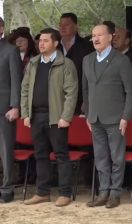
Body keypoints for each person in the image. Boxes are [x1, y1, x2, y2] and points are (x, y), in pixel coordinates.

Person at [21, 28, 78, 207]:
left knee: (61, 155)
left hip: (56, 117)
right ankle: (42, 192)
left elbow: (71, 92)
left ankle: (65, 193)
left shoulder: (65, 64)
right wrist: (26, 113)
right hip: (36, 115)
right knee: (40, 155)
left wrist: (66, 116)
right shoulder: (33, 63)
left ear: (55, 43)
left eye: (46, 40)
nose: (41, 43)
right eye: (40, 40)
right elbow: (25, 89)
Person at [83, 24, 132, 209]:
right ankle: (103, 191)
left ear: (110, 37)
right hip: (95, 118)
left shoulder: (121, 60)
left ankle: (115, 193)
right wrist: (88, 113)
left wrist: (125, 117)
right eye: (93, 35)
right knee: (100, 157)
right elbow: (85, 89)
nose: (96, 39)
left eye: (100, 35)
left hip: (115, 118)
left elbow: (131, 91)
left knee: (117, 157)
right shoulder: (87, 60)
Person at [0, 17, 22, 203]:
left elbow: (17, 80)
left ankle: (6, 190)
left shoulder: (11, 50)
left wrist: (15, 106)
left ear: (1, 28)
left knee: (6, 152)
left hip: (4, 109)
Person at [59, 13, 93, 114]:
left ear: (76, 27)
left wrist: (87, 100)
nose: (62, 27)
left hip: (80, 99)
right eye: (60, 25)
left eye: (67, 24)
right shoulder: (54, 47)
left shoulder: (87, 47)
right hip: (58, 99)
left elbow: (92, 76)